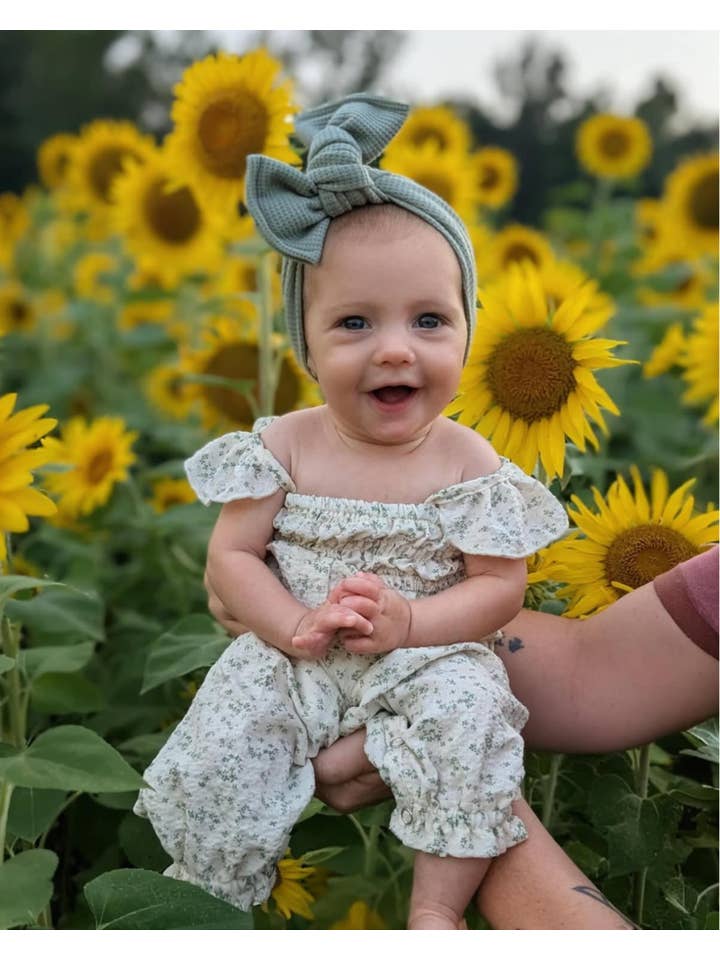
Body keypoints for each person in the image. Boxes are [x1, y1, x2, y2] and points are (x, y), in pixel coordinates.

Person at [132, 93, 570, 930]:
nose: (395, 348)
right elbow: (230, 560)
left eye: (430, 319)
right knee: (220, 748)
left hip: (423, 658)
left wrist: (415, 621)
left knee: (471, 726)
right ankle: (209, 897)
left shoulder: (470, 462)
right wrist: (291, 621)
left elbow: (499, 589)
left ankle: (434, 910)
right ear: (307, 338)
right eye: (356, 322)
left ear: (469, 330)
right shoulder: (284, 445)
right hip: (292, 654)